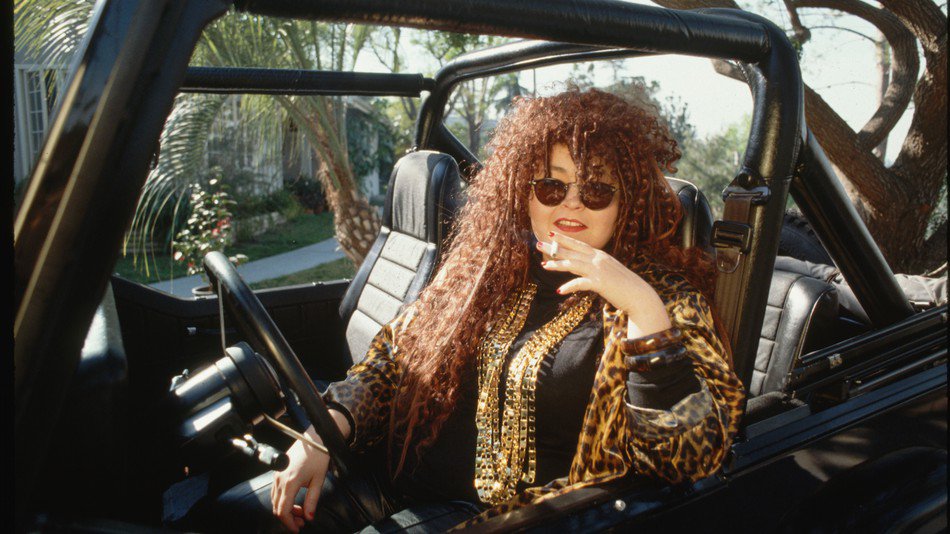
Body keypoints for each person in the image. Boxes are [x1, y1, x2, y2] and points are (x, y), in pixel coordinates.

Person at [208, 86, 745, 533]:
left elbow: (690, 459)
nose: (572, 202)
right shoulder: (489, 268)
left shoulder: (664, 298)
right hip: (393, 475)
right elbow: (393, 359)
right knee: (235, 515)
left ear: (627, 204)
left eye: (598, 190)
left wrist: (643, 309)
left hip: (509, 519)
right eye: (552, 184)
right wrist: (325, 433)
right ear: (524, 192)